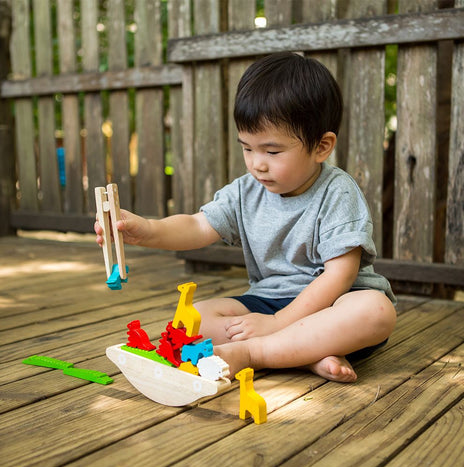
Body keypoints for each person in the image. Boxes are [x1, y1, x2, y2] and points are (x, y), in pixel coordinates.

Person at [95, 52, 396, 383]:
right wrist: (147, 230)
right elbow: (197, 225)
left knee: (376, 311)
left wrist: (280, 322)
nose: (257, 164)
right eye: (247, 148)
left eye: (272, 151)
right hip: (269, 300)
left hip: (334, 305)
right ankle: (305, 354)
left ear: (321, 147)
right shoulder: (246, 191)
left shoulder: (337, 192)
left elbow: (339, 275)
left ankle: (258, 353)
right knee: (191, 319)